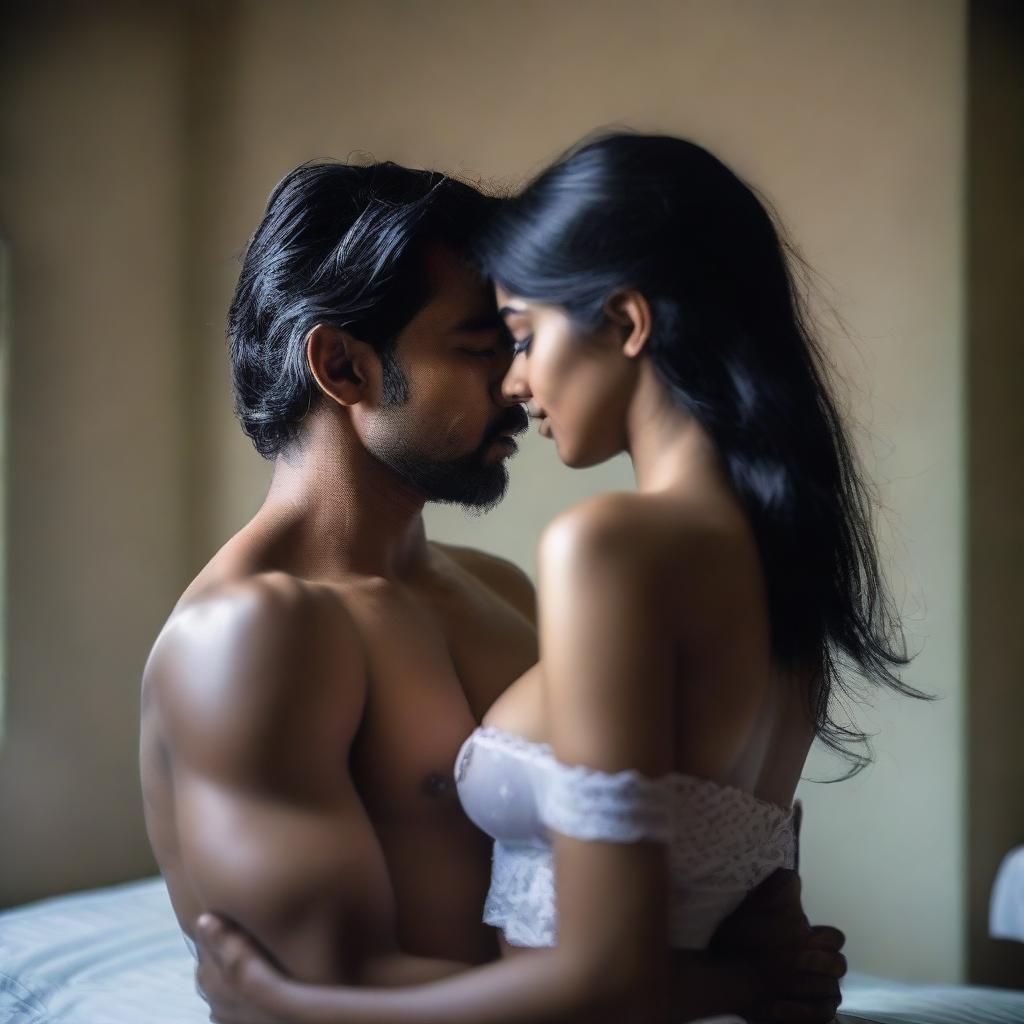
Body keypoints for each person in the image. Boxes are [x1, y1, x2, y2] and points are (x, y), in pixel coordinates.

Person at [179, 134, 920, 1023]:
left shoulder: (507, 594)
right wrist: (741, 981)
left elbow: (659, 896)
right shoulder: (247, 636)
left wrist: (759, 949)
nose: (517, 382)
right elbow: (312, 985)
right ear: (343, 366)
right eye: (484, 343)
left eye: (521, 335)